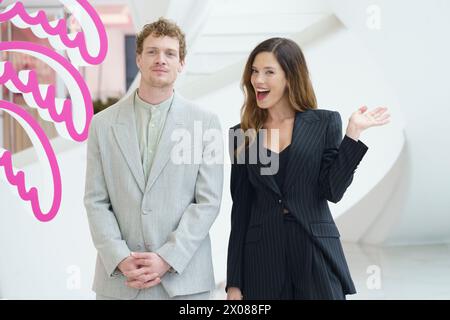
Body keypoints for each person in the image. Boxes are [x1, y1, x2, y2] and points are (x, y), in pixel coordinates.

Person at [226, 37, 390, 300]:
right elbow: (241, 211)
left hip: (315, 255)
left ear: (290, 77)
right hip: (262, 262)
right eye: (255, 71)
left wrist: (353, 135)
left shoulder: (325, 122)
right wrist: (234, 283)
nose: (258, 80)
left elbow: (332, 190)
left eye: (269, 72)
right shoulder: (241, 135)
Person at [84, 18, 223, 300]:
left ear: (181, 63)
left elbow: (208, 201)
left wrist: (167, 257)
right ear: (138, 58)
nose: (161, 59)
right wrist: (120, 257)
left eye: (170, 53)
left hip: (185, 284)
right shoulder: (102, 124)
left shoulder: (206, 123)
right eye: (152, 51)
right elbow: (95, 200)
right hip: (121, 282)